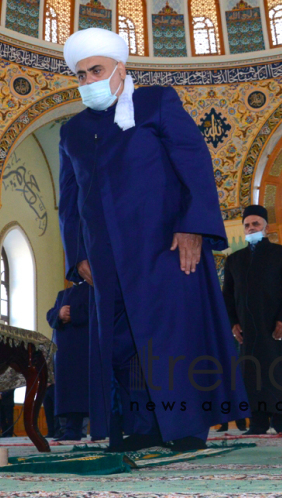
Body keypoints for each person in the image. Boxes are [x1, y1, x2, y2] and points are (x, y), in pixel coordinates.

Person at [59, 28, 248, 452]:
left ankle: (184, 428)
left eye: (96, 70)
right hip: (105, 257)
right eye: (81, 74)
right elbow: (68, 202)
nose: (88, 80)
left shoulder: (155, 102)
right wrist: (77, 256)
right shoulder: (71, 130)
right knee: (124, 344)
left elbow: (194, 162)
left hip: (164, 245)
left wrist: (193, 226)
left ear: (120, 70)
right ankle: (142, 425)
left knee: (168, 336)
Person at [223, 205, 282, 435]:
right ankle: (257, 423)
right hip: (247, 329)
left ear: (267, 227)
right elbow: (227, 295)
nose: (251, 228)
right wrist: (233, 322)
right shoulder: (234, 260)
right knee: (251, 375)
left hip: (274, 328)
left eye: (255, 224)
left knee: (277, 374)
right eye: (247, 225)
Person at [46, 282, 90, 441]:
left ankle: (104, 430)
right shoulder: (62, 294)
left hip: (86, 346)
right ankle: (71, 430)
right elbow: (50, 315)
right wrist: (59, 314)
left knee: (84, 390)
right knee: (69, 391)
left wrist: (72, 314)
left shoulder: (94, 288)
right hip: (65, 351)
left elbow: (95, 311)